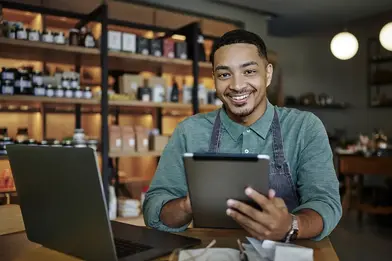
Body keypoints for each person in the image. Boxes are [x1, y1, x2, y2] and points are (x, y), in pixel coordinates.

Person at [143, 29, 342, 242]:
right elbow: (155, 208)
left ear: (267, 74)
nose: (237, 86)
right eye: (224, 74)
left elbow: (325, 204)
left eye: (249, 72)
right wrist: (188, 204)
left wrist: (290, 225)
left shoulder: (304, 127)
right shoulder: (189, 131)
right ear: (214, 79)